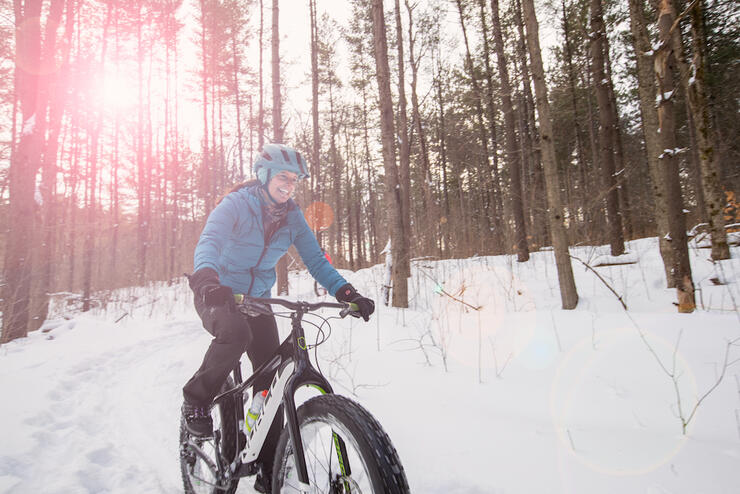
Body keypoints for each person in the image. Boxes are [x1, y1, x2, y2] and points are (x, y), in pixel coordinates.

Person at [181, 143, 375, 493]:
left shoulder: (292, 217)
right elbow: (210, 240)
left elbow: (316, 261)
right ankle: (196, 399)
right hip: (217, 292)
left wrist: (347, 293)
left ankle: (268, 471)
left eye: (295, 180)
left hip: (257, 300)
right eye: (284, 178)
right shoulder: (238, 204)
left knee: (271, 380)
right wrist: (208, 279)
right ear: (266, 177)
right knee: (236, 335)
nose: (289, 186)